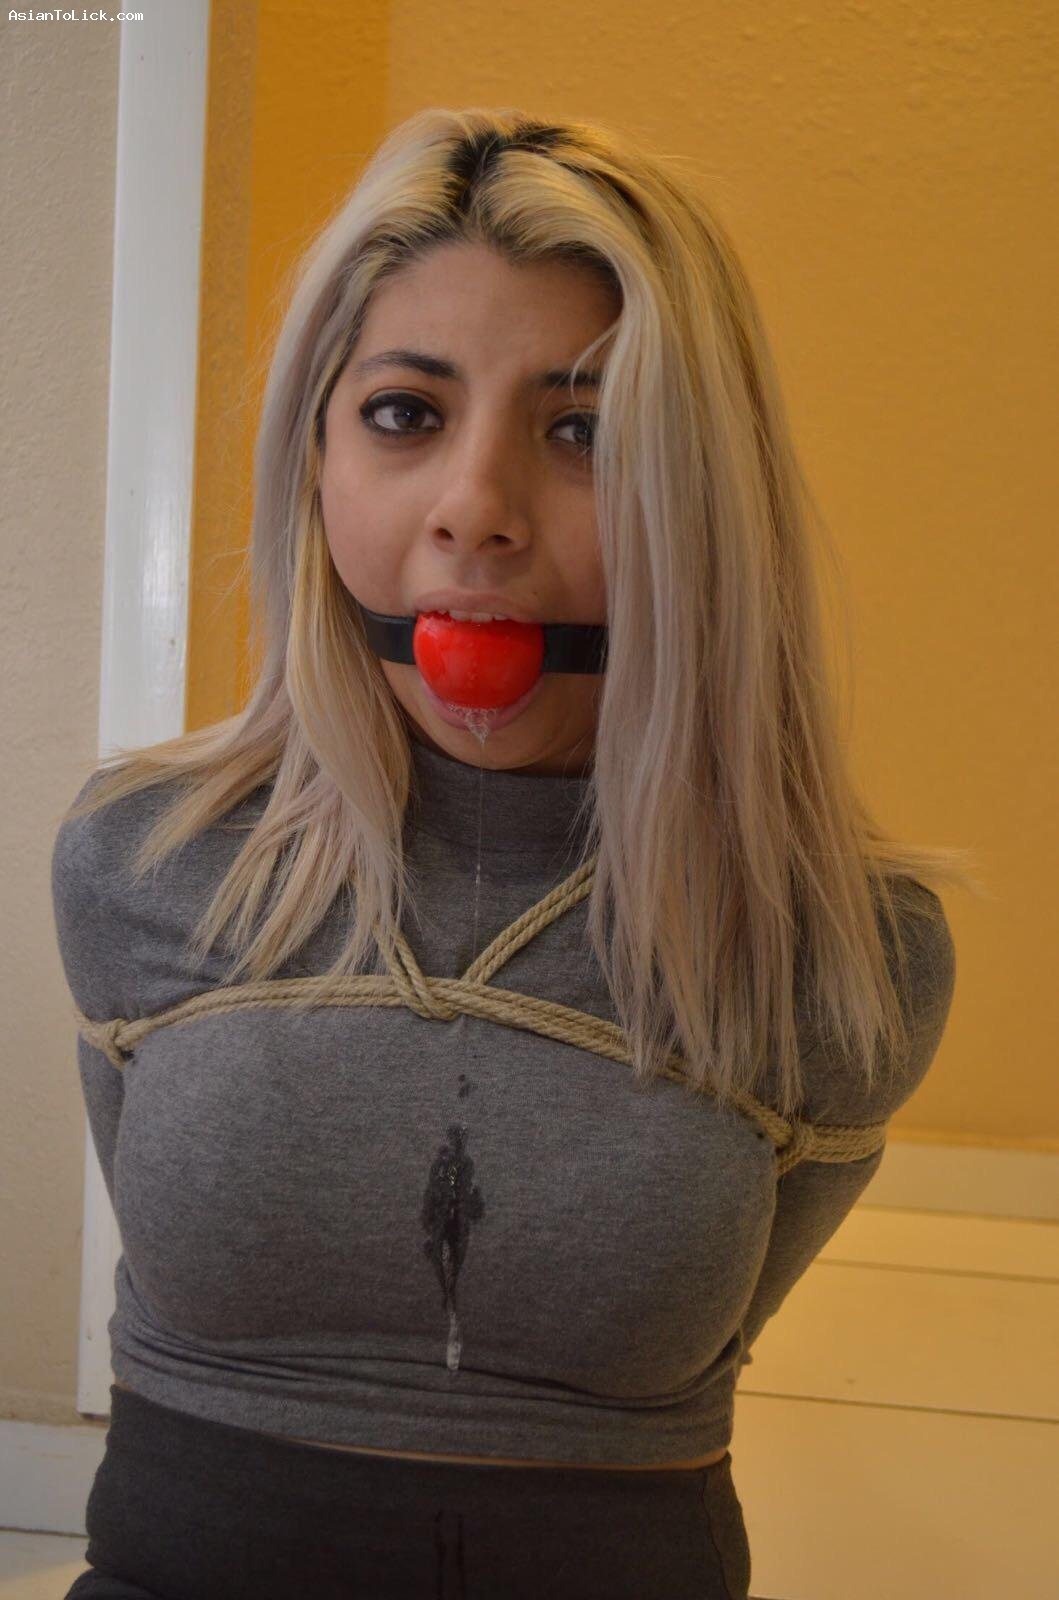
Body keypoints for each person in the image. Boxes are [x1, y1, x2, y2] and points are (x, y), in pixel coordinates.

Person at [51, 107, 976, 1600]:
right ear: (314, 459)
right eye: (404, 414)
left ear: (701, 494)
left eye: (583, 432)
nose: (475, 513)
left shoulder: (850, 956)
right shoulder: (138, 859)